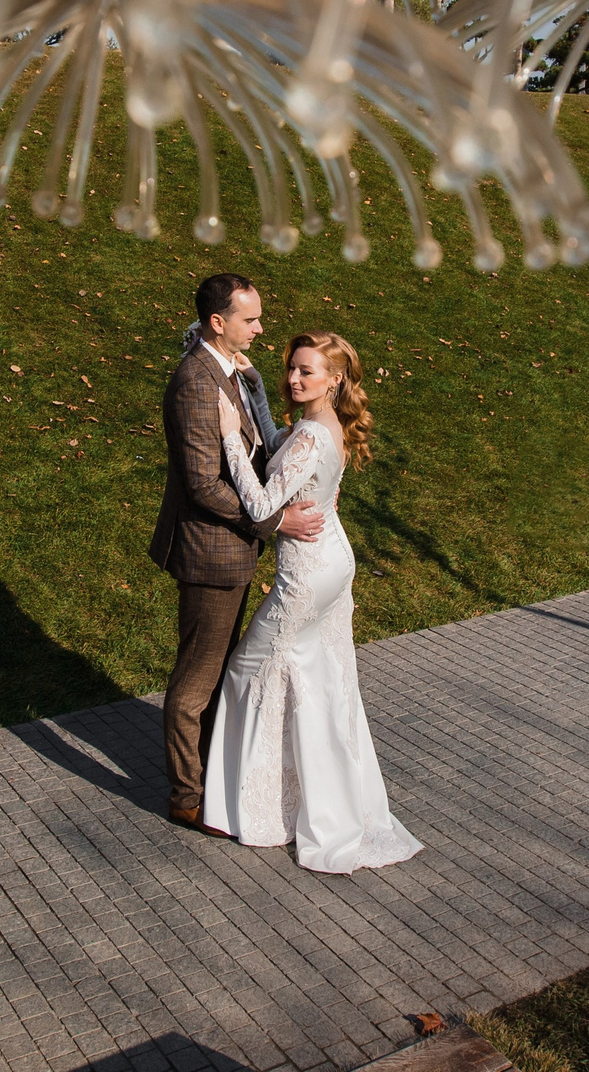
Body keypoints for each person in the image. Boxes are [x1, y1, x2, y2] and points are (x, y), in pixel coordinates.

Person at [200, 331, 421, 872]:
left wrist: (231, 437)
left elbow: (257, 504)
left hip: (307, 574)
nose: (295, 379)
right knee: (318, 680)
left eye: (307, 372)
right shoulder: (321, 427)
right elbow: (280, 445)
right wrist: (252, 390)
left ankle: (256, 811)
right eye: (292, 369)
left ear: (335, 378)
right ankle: (297, 803)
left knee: (247, 672)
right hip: (332, 562)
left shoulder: (312, 438)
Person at [153, 274, 323, 831]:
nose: (260, 327)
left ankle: (208, 779)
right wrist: (275, 521)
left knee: (220, 666)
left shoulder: (232, 373)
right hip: (210, 551)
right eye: (250, 320)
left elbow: (255, 447)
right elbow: (204, 484)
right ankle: (186, 796)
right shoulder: (196, 384)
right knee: (197, 679)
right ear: (217, 323)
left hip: (233, 546)